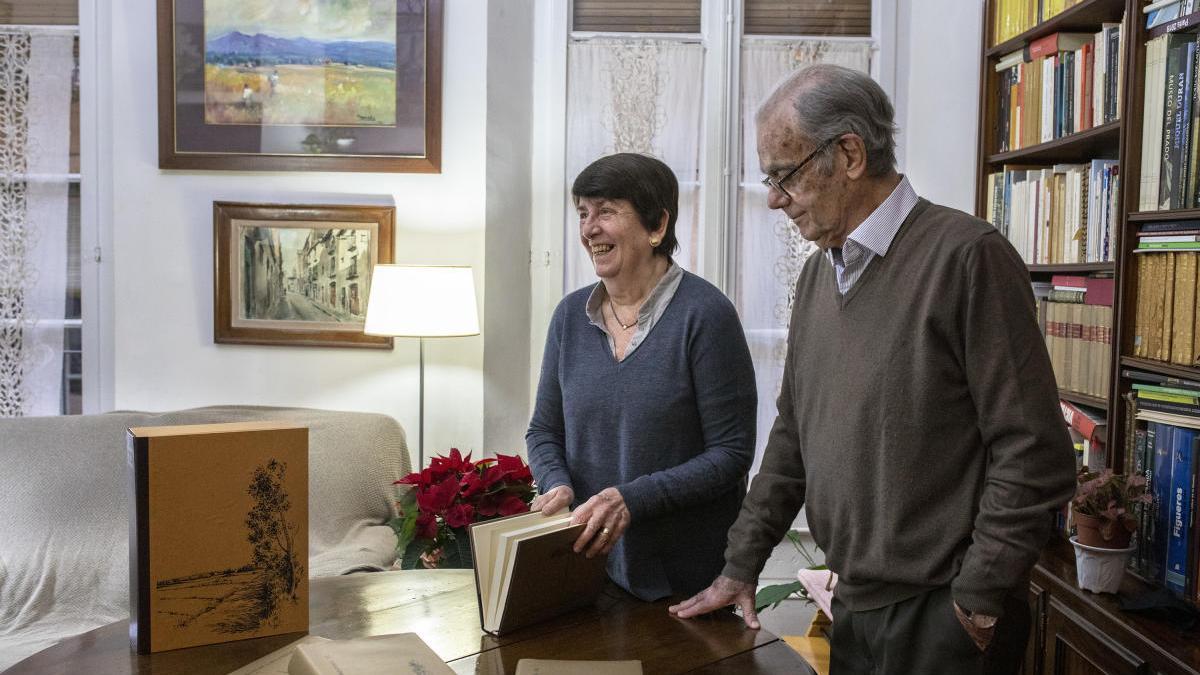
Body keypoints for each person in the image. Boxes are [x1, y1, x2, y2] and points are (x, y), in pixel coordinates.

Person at [668, 63, 1076, 674]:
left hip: (943, 617)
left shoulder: (967, 257)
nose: (775, 198)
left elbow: (1034, 451)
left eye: (784, 175)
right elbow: (793, 438)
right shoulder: (816, 275)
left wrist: (975, 603)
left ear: (850, 154)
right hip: (853, 607)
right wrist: (740, 565)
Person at [526, 152, 757, 602]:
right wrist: (556, 482)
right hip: (583, 573)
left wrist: (633, 498)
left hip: (683, 583)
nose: (589, 228)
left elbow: (730, 454)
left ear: (656, 226)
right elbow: (544, 430)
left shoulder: (706, 316)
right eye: (583, 213)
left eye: (607, 211)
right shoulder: (570, 317)